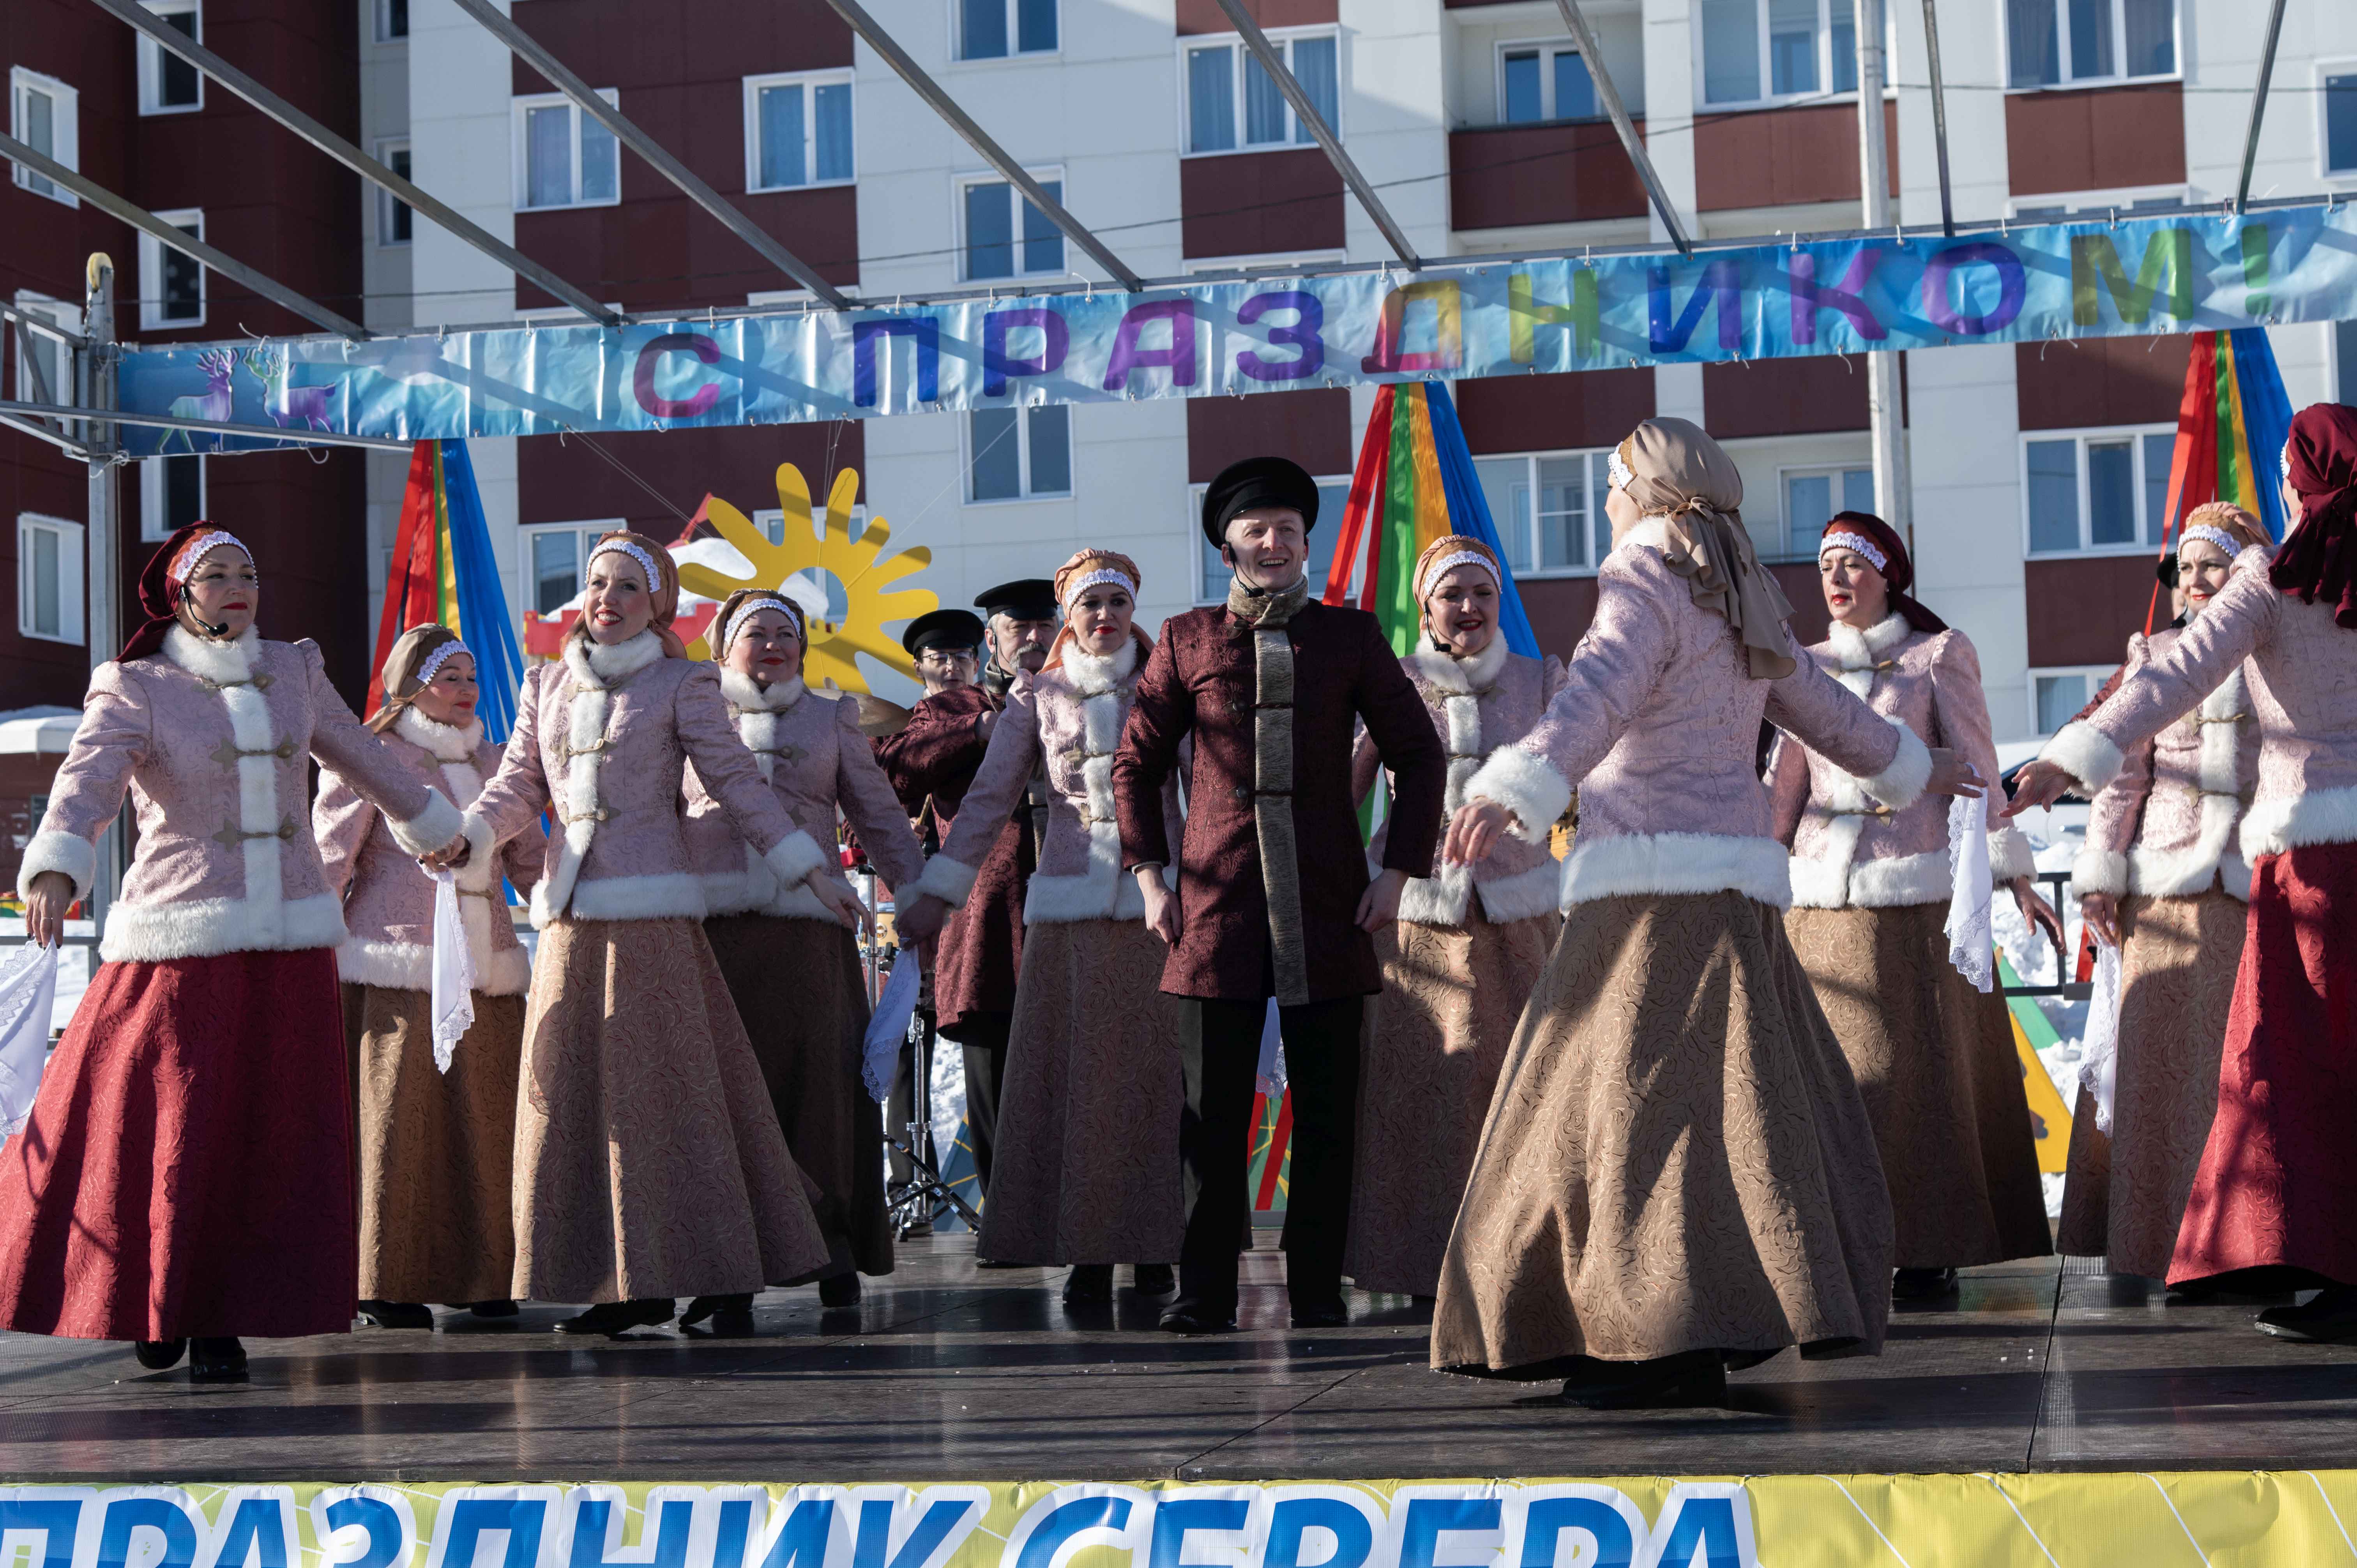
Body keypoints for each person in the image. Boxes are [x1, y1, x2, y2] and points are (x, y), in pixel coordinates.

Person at [1429, 418, 1982, 1409]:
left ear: (1643, 492)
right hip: (1730, 889)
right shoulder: (1741, 590)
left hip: (1642, 892)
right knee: (1734, 1113)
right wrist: (1914, 764)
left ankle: (1643, 1331)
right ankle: (1717, 1312)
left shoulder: (1644, 579)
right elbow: (1824, 709)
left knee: (1616, 1108)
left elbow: (1595, 693)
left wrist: (1517, 784)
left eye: (1609, 481)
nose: (1605, 498)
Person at [0, 526, 466, 1380]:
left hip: (288, 933)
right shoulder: (138, 685)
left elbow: (361, 753)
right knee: (174, 1120)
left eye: (247, 571)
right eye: (215, 574)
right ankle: (158, 1295)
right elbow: (88, 779)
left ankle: (225, 1312)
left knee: (266, 1128)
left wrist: (433, 824)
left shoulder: (292, 668)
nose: (237, 585)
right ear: (180, 593)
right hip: (183, 930)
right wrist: (60, 863)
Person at [436, 531, 842, 1336]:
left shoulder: (684, 682)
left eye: (627, 586)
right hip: (572, 921)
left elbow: (733, 783)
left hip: (654, 921)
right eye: (596, 583)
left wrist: (806, 865)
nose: (606, 599)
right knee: (587, 1104)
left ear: (656, 604)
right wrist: (466, 834)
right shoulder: (545, 683)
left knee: (675, 1104)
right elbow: (517, 783)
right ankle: (624, 1283)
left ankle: (721, 1273)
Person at [2012, 406, 2357, 1341]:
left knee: (2293, 1067)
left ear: (2297, 481)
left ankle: (2326, 1266)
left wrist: (2063, 758)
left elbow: (2179, 674)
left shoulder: (2275, 578)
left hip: (2313, 862)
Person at [1114, 456, 1448, 1334]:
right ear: (1226, 540)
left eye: (1290, 530)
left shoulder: (1350, 635)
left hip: (1332, 901)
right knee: (1210, 1112)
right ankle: (1203, 1291)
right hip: (1213, 906)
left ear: (1309, 542)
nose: (1274, 543)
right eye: (1257, 529)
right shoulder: (1186, 638)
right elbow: (1135, 764)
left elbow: (1420, 754)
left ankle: (1316, 1289)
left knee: (1328, 1111)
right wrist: (1150, 877)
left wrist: (1398, 872)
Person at [1766, 512, 2059, 1301]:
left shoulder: (1936, 657)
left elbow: (1976, 767)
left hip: (1913, 905)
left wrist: (2012, 870)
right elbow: (1784, 789)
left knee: (1912, 1077)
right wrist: (1755, 868)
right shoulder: (1802, 666)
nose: (1836, 578)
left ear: (1889, 575)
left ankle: (1927, 1238)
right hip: (1820, 908)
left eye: (1854, 564)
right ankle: (1840, 1233)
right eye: (1827, 564)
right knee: (1834, 1076)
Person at [899, 551, 1187, 1304]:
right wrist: (939, 890)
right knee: (1084, 1085)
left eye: (1117, 604)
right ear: (1071, 617)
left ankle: (1158, 1246)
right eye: (1089, 606)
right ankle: (1090, 1250)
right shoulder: (1039, 695)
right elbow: (989, 801)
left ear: (1133, 611)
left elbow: (1208, 790)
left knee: (1156, 1083)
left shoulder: (1168, 685)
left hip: (1159, 912)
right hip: (1065, 908)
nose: (1103, 619)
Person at [683, 588, 927, 1310]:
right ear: (723, 647)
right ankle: (725, 1272)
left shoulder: (831, 718)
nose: (772, 644)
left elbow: (877, 812)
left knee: (820, 1092)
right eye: (755, 633)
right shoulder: (694, 716)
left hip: (810, 936)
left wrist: (919, 891)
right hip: (716, 932)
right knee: (728, 1100)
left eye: (785, 633)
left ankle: (831, 1253)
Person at [1342, 535, 1565, 1301]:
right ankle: (1417, 1260)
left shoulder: (1544, 681)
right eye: (1451, 595)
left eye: (1482, 593)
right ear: (1426, 607)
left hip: (1524, 913)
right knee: (1424, 1087)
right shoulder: (1394, 681)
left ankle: (1526, 1251)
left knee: (1524, 1080)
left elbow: (1583, 783)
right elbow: (1347, 786)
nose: (1468, 608)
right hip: (1417, 919)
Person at [2054, 505, 2267, 1282]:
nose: (2198, 579)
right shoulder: (2157, 657)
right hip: (2161, 891)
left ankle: (2239, 1246)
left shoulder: (2271, 654)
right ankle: (2154, 1244)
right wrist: (2100, 876)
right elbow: (2120, 781)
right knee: (2159, 1074)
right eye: (2186, 568)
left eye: (2214, 564)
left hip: (2248, 889)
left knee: (2235, 1075)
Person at [314, 624, 546, 1329]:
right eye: (452, 677)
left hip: (489, 970)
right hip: (397, 967)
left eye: (474, 679)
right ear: (412, 686)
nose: (468, 691)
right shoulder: (375, 756)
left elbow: (531, 859)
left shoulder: (499, 762)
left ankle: (484, 1276)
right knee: (399, 1125)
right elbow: (330, 857)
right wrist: (305, 942)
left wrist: (562, 905)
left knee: (486, 1122)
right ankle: (384, 1278)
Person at [876, 586, 1057, 1200]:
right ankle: (1007, 1213)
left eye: (1043, 625)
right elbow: (897, 768)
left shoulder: (1084, 690)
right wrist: (980, 729)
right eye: (1018, 627)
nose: (1033, 638)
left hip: (1075, 903)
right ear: (993, 640)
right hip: (988, 915)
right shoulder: (956, 706)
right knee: (993, 1065)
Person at [876, 607, 986, 1221]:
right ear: (919, 668)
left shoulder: (997, 721)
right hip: (914, 911)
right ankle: (903, 1185)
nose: (951, 668)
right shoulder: (901, 735)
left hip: (973, 910)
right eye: (939, 659)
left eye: (962, 658)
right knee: (903, 1049)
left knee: (977, 1043)